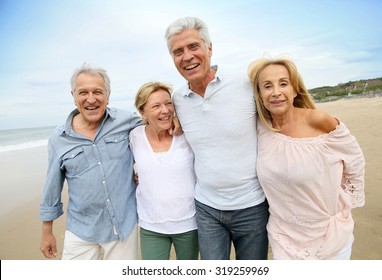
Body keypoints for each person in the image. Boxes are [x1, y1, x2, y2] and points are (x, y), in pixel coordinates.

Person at [164, 17, 269, 260]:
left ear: (209, 48)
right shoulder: (177, 100)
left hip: (252, 206)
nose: (187, 56)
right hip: (207, 208)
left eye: (193, 47)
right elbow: (156, 127)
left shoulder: (245, 85)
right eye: (178, 52)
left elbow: (281, 119)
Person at [247, 56, 365, 259]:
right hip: (283, 238)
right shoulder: (259, 129)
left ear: (294, 89)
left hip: (329, 237)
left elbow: (354, 160)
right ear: (259, 94)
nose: (276, 92)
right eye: (267, 86)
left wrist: (342, 202)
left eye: (283, 83)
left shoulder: (319, 121)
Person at [39, 64, 143, 259]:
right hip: (81, 230)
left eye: (98, 92)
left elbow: (156, 128)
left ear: (108, 95)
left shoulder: (126, 121)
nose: (91, 99)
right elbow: (52, 187)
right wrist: (47, 231)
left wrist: (146, 171)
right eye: (83, 92)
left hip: (123, 226)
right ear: (73, 96)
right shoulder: (58, 138)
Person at [129, 81, 199, 260]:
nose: (165, 110)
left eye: (168, 103)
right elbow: (117, 163)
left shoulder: (187, 132)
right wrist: (136, 177)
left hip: (189, 223)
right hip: (151, 225)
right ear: (142, 112)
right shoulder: (134, 136)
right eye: (156, 106)